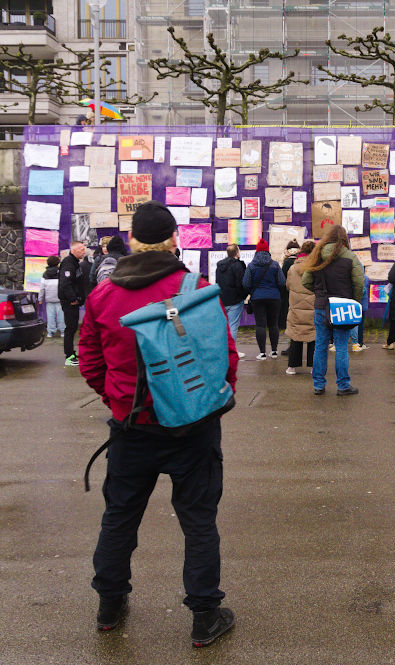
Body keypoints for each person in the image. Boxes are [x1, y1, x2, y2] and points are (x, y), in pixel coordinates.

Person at [78, 200, 238, 646]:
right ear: (173, 241)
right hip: (193, 427)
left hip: (132, 428)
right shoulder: (195, 287)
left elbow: (88, 359)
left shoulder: (103, 295)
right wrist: (209, 400)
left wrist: (115, 398)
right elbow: (223, 355)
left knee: (120, 516)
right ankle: (205, 615)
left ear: (131, 240)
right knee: (199, 521)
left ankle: (110, 606)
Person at [302, 225, 364, 396]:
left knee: (320, 345)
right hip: (343, 308)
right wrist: (354, 302)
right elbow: (359, 284)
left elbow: (305, 281)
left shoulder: (317, 255)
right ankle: (343, 385)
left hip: (321, 307)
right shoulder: (351, 257)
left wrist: (319, 293)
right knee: (342, 347)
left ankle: (318, 385)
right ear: (344, 239)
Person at [242, 238, 286, 360]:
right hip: (274, 298)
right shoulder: (275, 265)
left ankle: (262, 353)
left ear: (256, 252)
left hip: (257, 298)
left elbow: (245, 284)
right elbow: (282, 282)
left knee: (260, 325)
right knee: (273, 324)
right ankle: (274, 351)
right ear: (267, 251)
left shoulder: (251, 266)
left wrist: (253, 292)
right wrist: (276, 292)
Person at [285, 240, 316, 374]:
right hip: (312, 306)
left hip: (296, 307)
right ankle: (313, 366)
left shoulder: (292, 268)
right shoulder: (316, 268)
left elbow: (288, 285)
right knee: (313, 337)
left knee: (295, 335)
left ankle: (292, 366)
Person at [58, 240, 87, 366]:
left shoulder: (75, 263)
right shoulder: (68, 264)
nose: (83, 251)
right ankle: (69, 356)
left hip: (74, 302)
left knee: (73, 327)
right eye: (81, 249)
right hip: (70, 303)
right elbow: (65, 284)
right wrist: (73, 299)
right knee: (70, 328)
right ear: (74, 250)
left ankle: (71, 353)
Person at [215, 244, 247, 358]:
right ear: (237, 253)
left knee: (224, 326)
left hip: (222, 299)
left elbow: (217, 282)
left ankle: (223, 350)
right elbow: (240, 283)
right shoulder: (237, 266)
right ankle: (231, 352)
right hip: (235, 300)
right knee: (233, 326)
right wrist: (243, 295)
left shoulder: (219, 265)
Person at [39, 255, 64, 338]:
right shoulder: (60, 272)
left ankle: (50, 332)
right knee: (61, 315)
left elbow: (42, 288)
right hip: (60, 298)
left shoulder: (45, 274)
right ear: (57, 263)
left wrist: (40, 298)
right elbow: (64, 285)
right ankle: (63, 331)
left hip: (49, 298)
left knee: (50, 316)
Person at [279, 240, 301, 332]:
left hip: (288, 289)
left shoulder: (286, 261)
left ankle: (285, 324)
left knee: (286, 307)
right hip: (300, 289)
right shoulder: (300, 260)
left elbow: (282, 276)